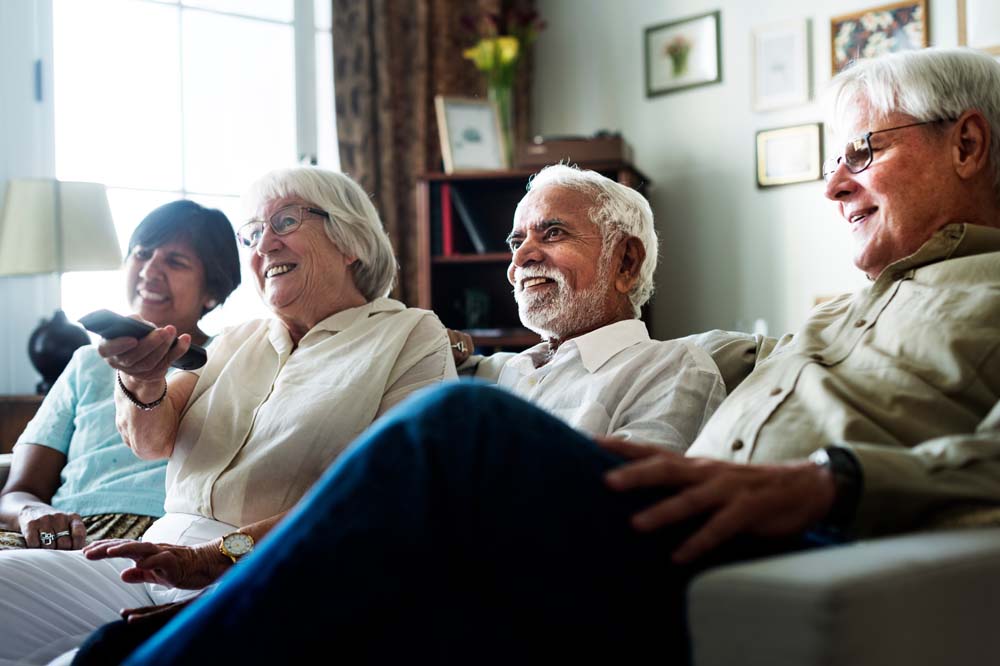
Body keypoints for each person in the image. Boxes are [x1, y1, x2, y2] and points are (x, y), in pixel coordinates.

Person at [97, 46, 1000, 664]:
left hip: (764, 546)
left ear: (967, 142)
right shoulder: (841, 313)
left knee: (459, 426)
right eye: (517, 240)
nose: (835, 182)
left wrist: (827, 481)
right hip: (669, 532)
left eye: (862, 152)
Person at [0, 167, 456, 665]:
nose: (265, 246)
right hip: (154, 556)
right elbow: (152, 441)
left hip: (270, 571)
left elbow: (386, 495)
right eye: (254, 234)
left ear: (351, 240)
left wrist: (217, 556)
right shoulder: (235, 341)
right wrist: (143, 380)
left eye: (285, 222)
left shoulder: (409, 334)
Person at [0, 201, 240, 551]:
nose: (150, 270)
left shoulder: (236, 357)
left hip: (165, 537)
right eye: (141, 254)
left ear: (212, 292)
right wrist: (32, 513)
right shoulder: (87, 362)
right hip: (61, 538)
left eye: (175, 262)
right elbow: (17, 491)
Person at [474, 164, 725, 449]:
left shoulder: (672, 369)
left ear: (625, 263)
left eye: (554, 233)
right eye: (516, 242)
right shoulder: (514, 369)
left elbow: (623, 489)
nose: (519, 260)